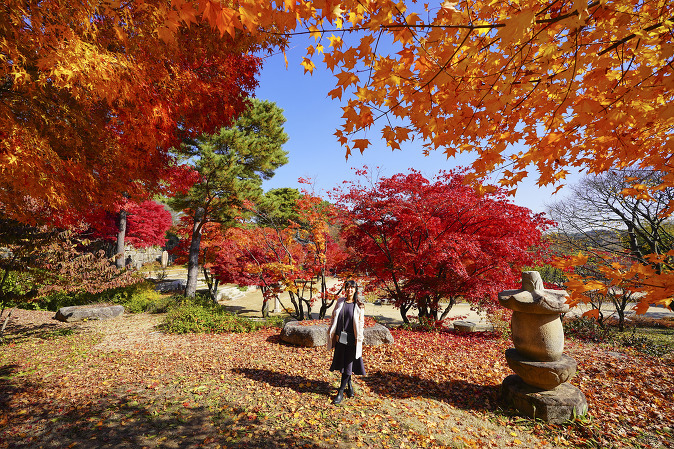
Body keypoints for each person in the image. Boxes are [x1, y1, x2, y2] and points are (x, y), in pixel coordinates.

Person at [326, 280, 366, 404]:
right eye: (347, 287)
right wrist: (335, 334)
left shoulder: (359, 305)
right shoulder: (340, 302)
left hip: (352, 340)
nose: (349, 290)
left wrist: (358, 340)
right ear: (345, 289)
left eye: (352, 288)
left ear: (355, 290)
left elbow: (361, 324)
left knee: (347, 365)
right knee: (343, 364)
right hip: (340, 338)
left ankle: (340, 392)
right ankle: (349, 386)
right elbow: (334, 317)